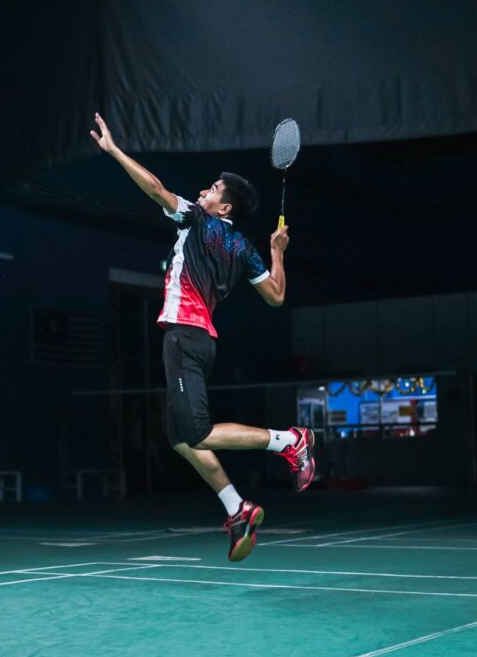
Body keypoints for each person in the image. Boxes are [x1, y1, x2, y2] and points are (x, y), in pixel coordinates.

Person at [90, 112, 315, 562]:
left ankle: (290, 441)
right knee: (180, 439)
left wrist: (115, 152)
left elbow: (155, 187)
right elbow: (275, 294)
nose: (202, 192)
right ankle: (238, 509)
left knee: (198, 432)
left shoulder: (195, 221)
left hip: (185, 337)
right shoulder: (242, 248)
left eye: (211, 190)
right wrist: (276, 253)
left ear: (223, 208)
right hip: (199, 340)